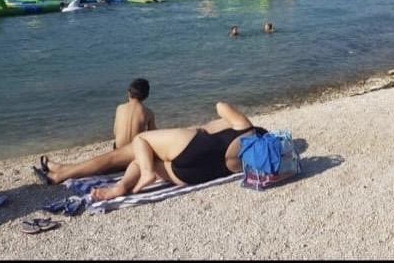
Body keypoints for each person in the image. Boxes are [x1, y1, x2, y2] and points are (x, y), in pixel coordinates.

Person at [90, 102, 266, 200]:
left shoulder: (246, 128)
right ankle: (122, 186)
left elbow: (221, 106)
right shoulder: (246, 164)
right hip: (190, 176)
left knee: (140, 140)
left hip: (196, 146)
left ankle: (144, 174)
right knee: (141, 160)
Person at [113, 79, 156, 150]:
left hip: (118, 150)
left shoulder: (120, 108)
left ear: (129, 93)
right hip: (135, 151)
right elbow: (153, 134)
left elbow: (115, 132)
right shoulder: (149, 112)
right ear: (146, 96)